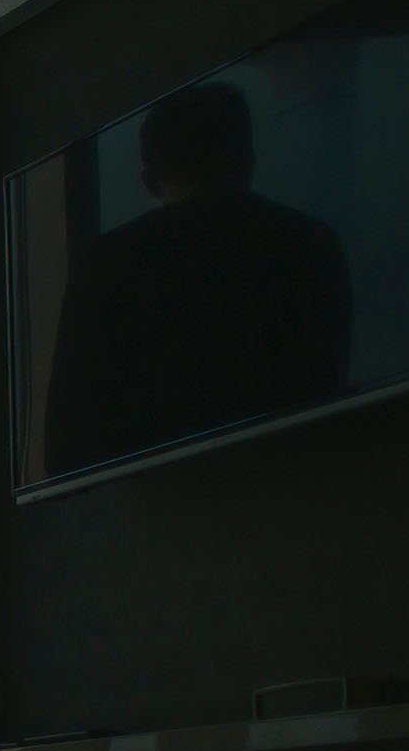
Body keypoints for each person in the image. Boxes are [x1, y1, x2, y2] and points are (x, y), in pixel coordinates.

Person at [39, 79, 352, 475]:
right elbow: (327, 392)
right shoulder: (312, 244)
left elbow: (65, 446)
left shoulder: (105, 263)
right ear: (246, 158)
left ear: (149, 179)